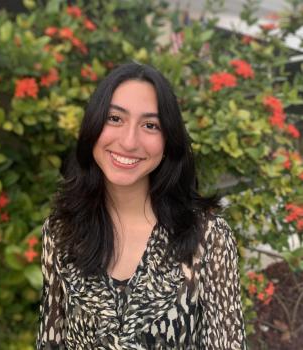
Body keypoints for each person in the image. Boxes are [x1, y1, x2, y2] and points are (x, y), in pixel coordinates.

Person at [36, 62, 247, 349]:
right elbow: (50, 340)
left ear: (168, 139)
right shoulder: (61, 231)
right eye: (114, 118)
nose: (129, 141)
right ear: (93, 125)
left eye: (150, 125)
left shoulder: (208, 238)